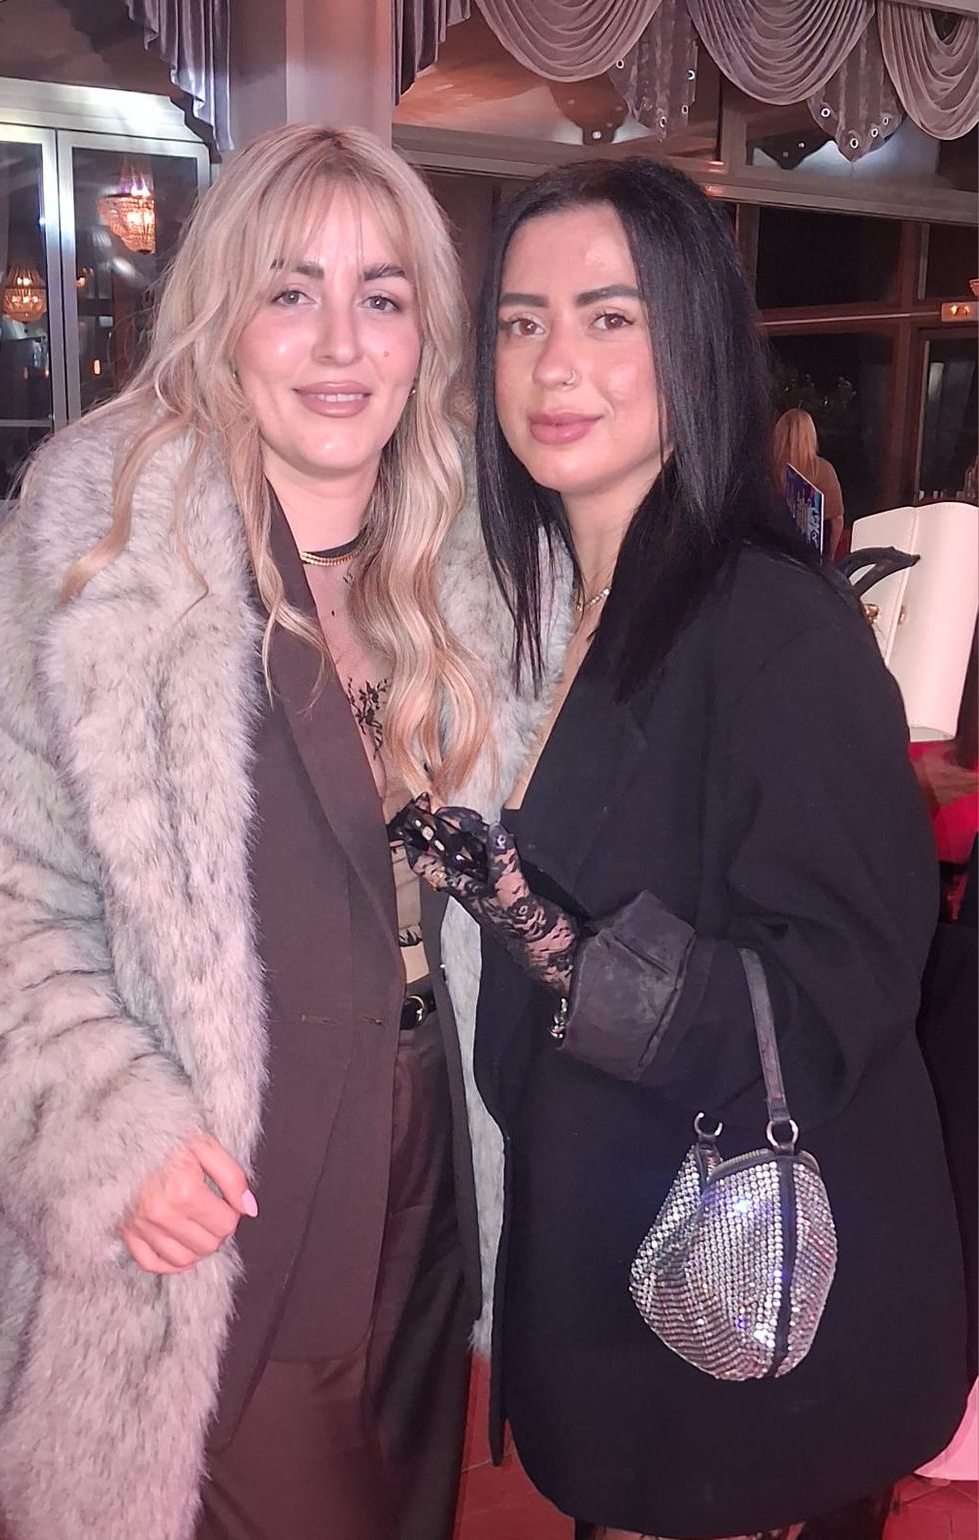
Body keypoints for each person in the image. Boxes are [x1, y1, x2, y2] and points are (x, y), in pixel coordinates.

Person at [0, 125, 487, 1540]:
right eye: (291, 291)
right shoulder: (106, 540)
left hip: (431, 1150)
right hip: (225, 1175)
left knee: (407, 1502)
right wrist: (110, 1130)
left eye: (382, 295)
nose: (340, 340)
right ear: (223, 317)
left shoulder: (464, 547)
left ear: (424, 332)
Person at [400, 158, 969, 1540]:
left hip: (734, 1298)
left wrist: (568, 953)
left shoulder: (768, 622)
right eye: (522, 321)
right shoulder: (571, 608)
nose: (554, 363)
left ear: (696, 341)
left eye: (610, 316)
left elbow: (842, 987)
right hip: (617, 1246)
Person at [773, 406, 845, 559]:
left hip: (772, 551)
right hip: (809, 558)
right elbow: (837, 519)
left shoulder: (768, 469)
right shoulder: (823, 470)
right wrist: (830, 557)